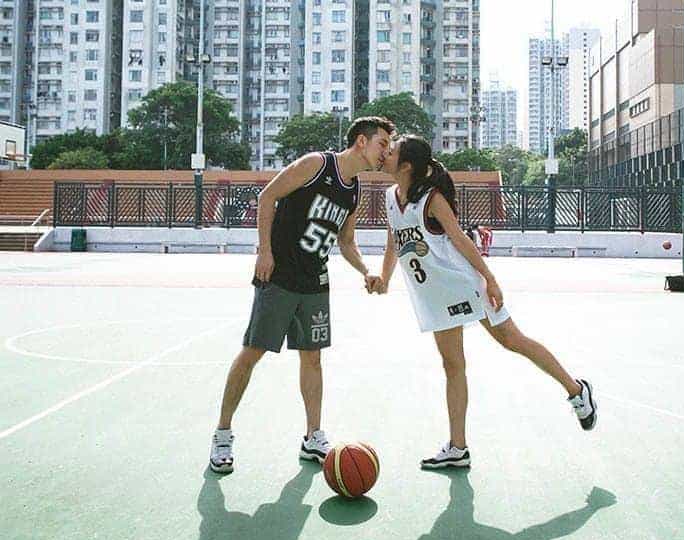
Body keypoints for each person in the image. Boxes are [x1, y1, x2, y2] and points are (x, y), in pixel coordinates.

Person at [375, 135, 597, 470]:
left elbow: (461, 240)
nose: (384, 154)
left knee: (512, 340)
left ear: (405, 166)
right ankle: (458, 448)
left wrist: (489, 278)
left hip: (464, 285)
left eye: (390, 152)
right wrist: (385, 277)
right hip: (435, 295)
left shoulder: (432, 199)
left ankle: (576, 390)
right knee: (452, 365)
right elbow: (393, 241)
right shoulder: (391, 198)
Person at [208, 117, 395, 474]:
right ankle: (223, 433)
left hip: (315, 281)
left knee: (313, 359)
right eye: (382, 143)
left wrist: (366, 271)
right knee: (252, 352)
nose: (386, 152)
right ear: (361, 141)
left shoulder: (353, 189)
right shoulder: (316, 164)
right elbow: (267, 197)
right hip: (279, 274)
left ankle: (313, 436)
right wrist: (265, 251)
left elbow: (346, 242)